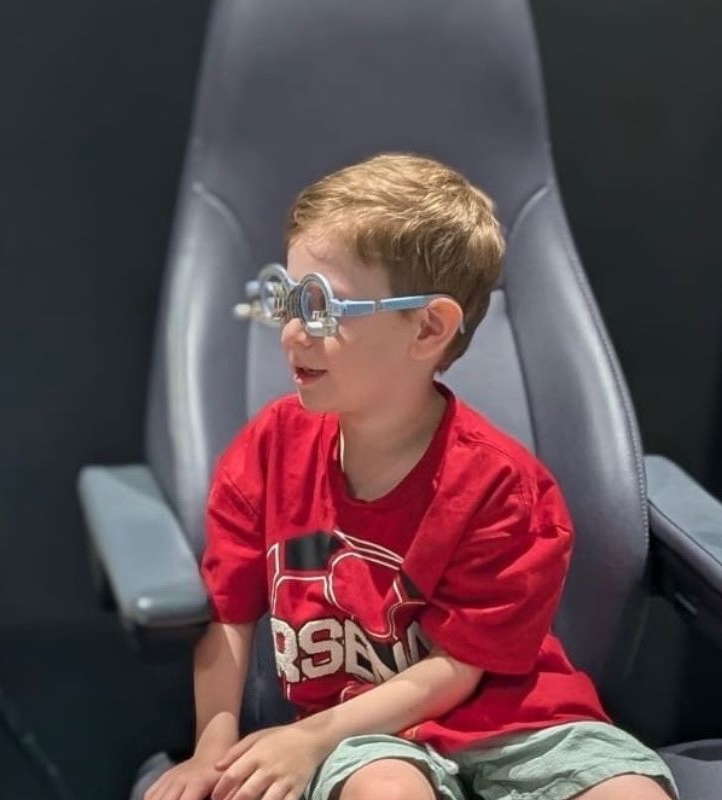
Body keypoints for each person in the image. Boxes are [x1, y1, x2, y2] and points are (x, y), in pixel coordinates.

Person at [146, 154, 677, 800]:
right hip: (363, 734)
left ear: (427, 327)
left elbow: (459, 669)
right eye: (287, 298)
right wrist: (214, 748)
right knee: (388, 791)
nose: (290, 332)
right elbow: (229, 617)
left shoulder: (501, 486)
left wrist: (312, 738)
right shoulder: (269, 453)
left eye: (319, 307)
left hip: (520, 722)